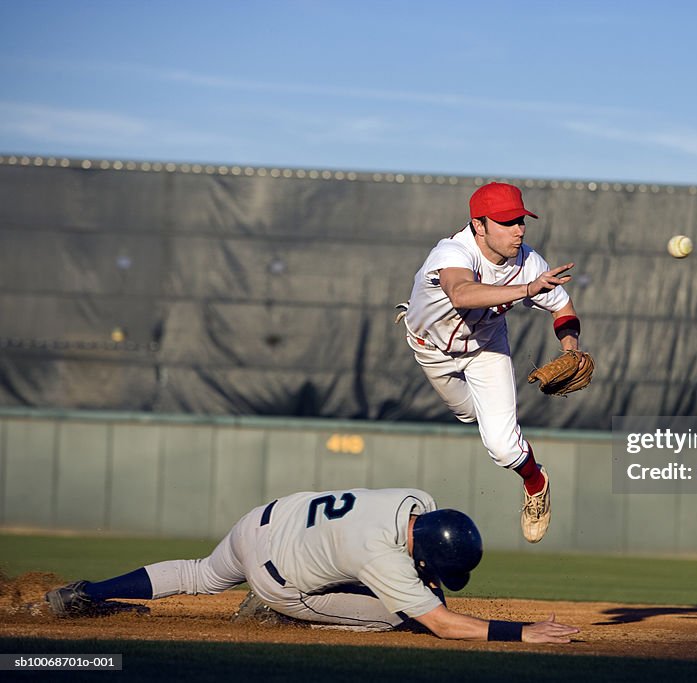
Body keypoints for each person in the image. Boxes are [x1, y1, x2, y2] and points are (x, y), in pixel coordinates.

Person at [45, 487, 578, 643]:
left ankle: (87, 592)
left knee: (200, 574)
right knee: (407, 614)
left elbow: (408, 549)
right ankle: (275, 613)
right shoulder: (379, 554)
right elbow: (443, 625)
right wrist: (520, 631)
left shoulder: (415, 498)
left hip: (264, 519)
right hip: (278, 580)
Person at [400, 182, 584, 543]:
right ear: (479, 225)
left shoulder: (529, 261)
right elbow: (462, 293)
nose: (519, 230)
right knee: (468, 415)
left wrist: (571, 348)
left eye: (520, 220)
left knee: (501, 446)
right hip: (431, 349)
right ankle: (486, 420)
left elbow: (563, 306)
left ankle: (536, 482)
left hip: (486, 347)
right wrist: (527, 290)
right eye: (506, 222)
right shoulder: (453, 251)